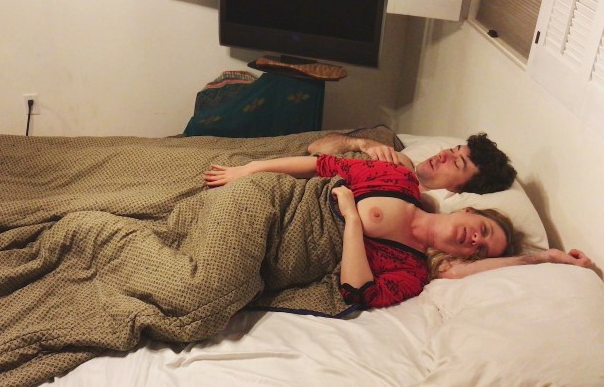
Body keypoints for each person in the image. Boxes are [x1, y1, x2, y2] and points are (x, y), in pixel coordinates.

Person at [204, 155, 595, 307]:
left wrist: (546, 257)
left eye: (481, 249)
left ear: (465, 259)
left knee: (205, 292)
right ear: (469, 209)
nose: (476, 240)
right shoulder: (398, 179)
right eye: (483, 230)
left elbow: (357, 291)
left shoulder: (411, 273)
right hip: (274, 201)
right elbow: (320, 164)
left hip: (281, 255)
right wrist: (247, 169)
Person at [307, 131, 517, 194]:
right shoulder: (398, 159)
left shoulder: (421, 208)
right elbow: (315, 148)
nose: (444, 154)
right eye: (453, 150)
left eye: (456, 163)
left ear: (460, 188)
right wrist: (362, 144)